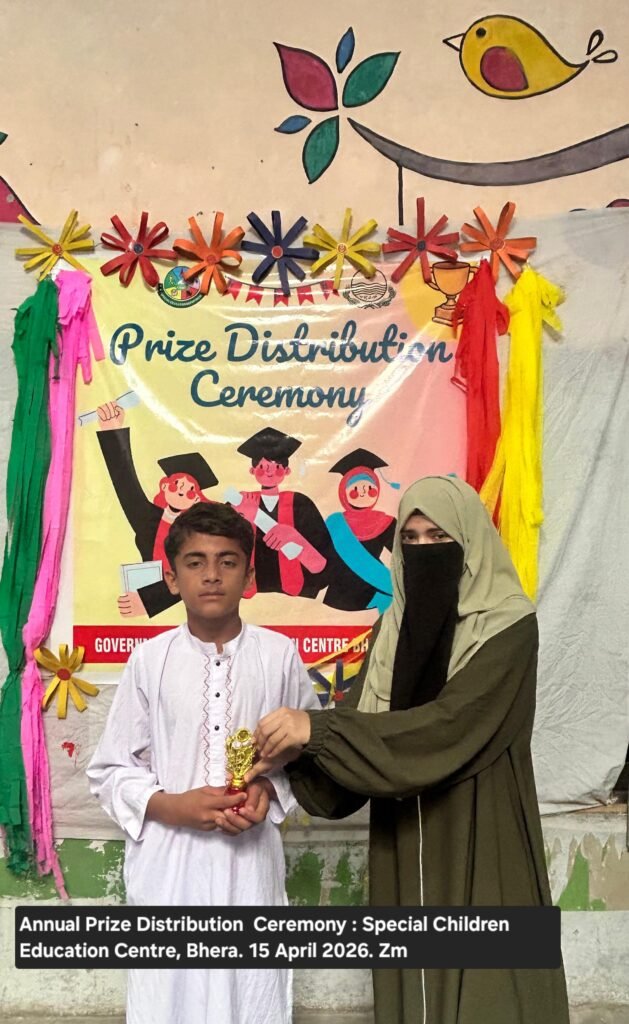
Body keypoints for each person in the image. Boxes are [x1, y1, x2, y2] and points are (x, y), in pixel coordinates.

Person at [247, 476, 570, 1024]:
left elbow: (451, 728)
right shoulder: (391, 630)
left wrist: (318, 732)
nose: (424, 550)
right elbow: (358, 728)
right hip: (402, 834)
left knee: (488, 992)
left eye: (439, 537)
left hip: (478, 825)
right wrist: (290, 756)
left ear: (471, 541)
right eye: (410, 539)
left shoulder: (509, 627)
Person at [87, 502, 319, 1024]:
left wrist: (268, 792)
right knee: (169, 997)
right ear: (171, 578)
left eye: (227, 561)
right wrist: (171, 806)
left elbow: (310, 754)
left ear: (250, 576)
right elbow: (109, 769)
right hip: (170, 868)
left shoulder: (279, 656)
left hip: (249, 867)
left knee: (249, 993)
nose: (211, 575)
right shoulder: (149, 660)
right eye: (195, 562)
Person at [96, 398, 218, 618]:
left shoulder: (197, 532)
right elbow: (125, 483)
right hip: (141, 604)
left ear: (197, 500)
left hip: (184, 609)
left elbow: (197, 573)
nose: (181, 492)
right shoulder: (147, 517)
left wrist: (149, 601)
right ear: (164, 486)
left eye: (191, 490)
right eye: (177, 485)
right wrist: (112, 431)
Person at [231, 426, 332, 598]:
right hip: (248, 599)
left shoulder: (301, 504)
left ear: (287, 471)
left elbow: (321, 565)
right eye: (262, 467)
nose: (269, 472)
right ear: (252, 471)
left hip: (296, 599)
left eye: (276, 466)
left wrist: (294, 537)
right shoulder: (241, 503)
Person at [323, 448, 396, 613]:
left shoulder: (386, 522)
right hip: (339, 593)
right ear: (344, 491)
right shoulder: (335, 522)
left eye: (369, 487)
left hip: (373, 591)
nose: (363, 493)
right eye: (356, 488)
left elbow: (401, 554)